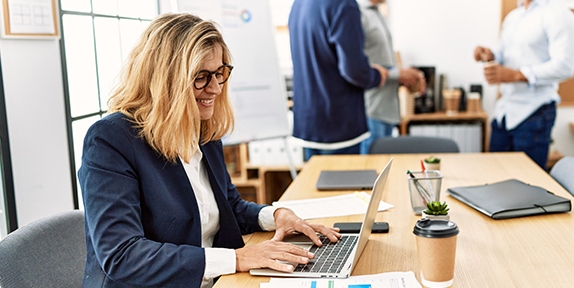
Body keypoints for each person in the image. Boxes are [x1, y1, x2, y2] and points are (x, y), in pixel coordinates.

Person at [78, 13, 340, 288]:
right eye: (201, 77)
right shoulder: (110, 140)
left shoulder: (202, 129)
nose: (215, 88)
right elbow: (123, 255)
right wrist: (236, 259)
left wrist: (275, 216)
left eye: (219, 73)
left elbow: (230, 207)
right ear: (164, 80)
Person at [474, 0, 574, 170]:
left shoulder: (558, 13)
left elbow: (565, 67)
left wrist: (515, 75)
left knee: (528, 185)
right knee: (494, 177)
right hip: (504, 113)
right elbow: (508, 55)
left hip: (535, 113)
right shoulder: (513, 17)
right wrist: (490, 56)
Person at [288, 0, 389, 161]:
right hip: (337, 125)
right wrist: (377, 75)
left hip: (307, 122)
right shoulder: (344, 4)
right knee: (345, 185)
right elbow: (353, 70)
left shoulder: (299, 4)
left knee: (313, 184)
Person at [356, 0, 426, 154]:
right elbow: (356, 68)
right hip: (372, 111)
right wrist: (398, 75)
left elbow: (380, 63)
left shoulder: (378, 13)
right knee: (371, 172)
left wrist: (406, 75)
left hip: (387, 110)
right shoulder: (357, 13)